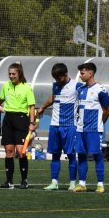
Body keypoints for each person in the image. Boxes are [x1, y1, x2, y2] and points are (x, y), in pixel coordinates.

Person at [0, 62, 36, 189]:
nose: (11, 76)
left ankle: (24, 181)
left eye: (14, 74)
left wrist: (32, 123)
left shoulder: (26, 88)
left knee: (21, 152)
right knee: (8, 151)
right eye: (10, 74)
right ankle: (9, 181)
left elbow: (31, 107)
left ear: (19, 74)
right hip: (8, 120)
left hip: (22, 120)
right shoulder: (6, 86)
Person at [37, 63, 82, 191]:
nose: (57, 81)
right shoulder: (56, 85)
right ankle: (54, 182)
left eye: (59, 78)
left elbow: (90, 90)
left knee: (71, 155)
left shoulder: (77, 86)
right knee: (55, 155)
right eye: (55, 78)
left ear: (65, 74)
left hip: (70, 126)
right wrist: (42, 107)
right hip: (54, 125)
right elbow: (53, 98)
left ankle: (73, 183)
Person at [73, 62, 109, 193]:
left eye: (82, 73)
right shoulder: (80, 90)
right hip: (80, 129)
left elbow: (106, 110)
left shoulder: (101, 89)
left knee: (97, 155)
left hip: (94, 129)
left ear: (91, 73)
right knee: (81, 155)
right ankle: (82, 183)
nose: (80, 75)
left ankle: (100, 184)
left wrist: (100, 124)